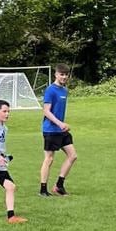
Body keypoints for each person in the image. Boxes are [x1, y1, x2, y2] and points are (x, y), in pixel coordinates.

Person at [39, 64, 76, 196]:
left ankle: (59, 186)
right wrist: (60, 123)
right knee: (49, 159)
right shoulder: (50, 90)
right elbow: (46, 111)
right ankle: (43, 190)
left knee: (73, 156)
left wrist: (61, 126)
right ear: (56, 74)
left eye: (66, 74)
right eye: (62, 74)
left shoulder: (64, 91)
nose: (64, 77)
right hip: (50, 130)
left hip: (61, 130)